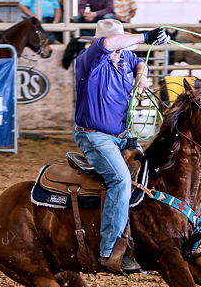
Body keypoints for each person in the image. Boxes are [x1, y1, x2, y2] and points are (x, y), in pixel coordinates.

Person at [72, 20, 169, 273]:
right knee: (121, 180)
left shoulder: (124, 56)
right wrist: (146, 36)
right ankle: (109, 250)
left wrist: (142, 75)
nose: (118, 48)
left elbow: (138, 59)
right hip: (95, 136)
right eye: (116, 43)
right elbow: (110, 44)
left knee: (151, 173)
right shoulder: (90, 58)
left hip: (123, 135)